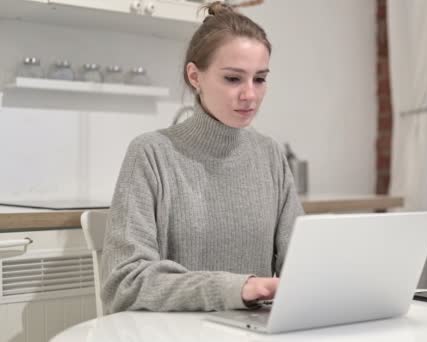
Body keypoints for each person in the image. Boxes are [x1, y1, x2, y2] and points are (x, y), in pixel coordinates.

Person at [100, 1, 303, 313]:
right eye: (233, 79)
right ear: (195, 77)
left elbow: (302, 268)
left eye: (259, 79)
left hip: (253, 333)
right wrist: (239, 288)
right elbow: (124, 285)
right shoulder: (151, 153)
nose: (249, 94)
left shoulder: (270, 155)